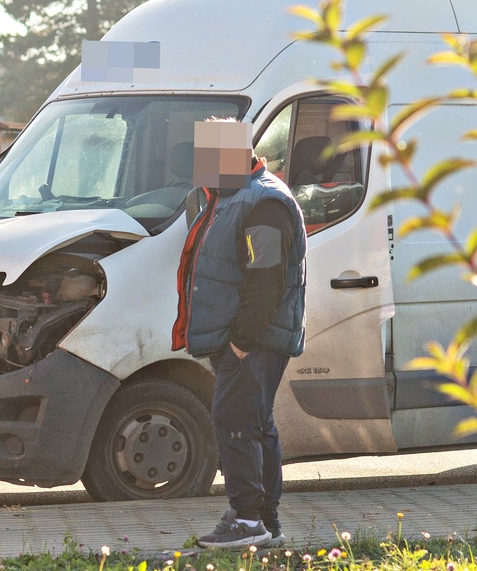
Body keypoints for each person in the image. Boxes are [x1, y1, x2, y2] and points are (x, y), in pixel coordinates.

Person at [171, 119, 307, 549]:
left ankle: (248, 520)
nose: (200, 167)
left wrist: (240, 343)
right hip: (248, 340)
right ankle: (264, 521)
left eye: (208, 158)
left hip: (254, 341)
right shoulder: (233, 198)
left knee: (234, 421)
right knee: (254, 423)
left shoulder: (263, 202)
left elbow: (264, 281)